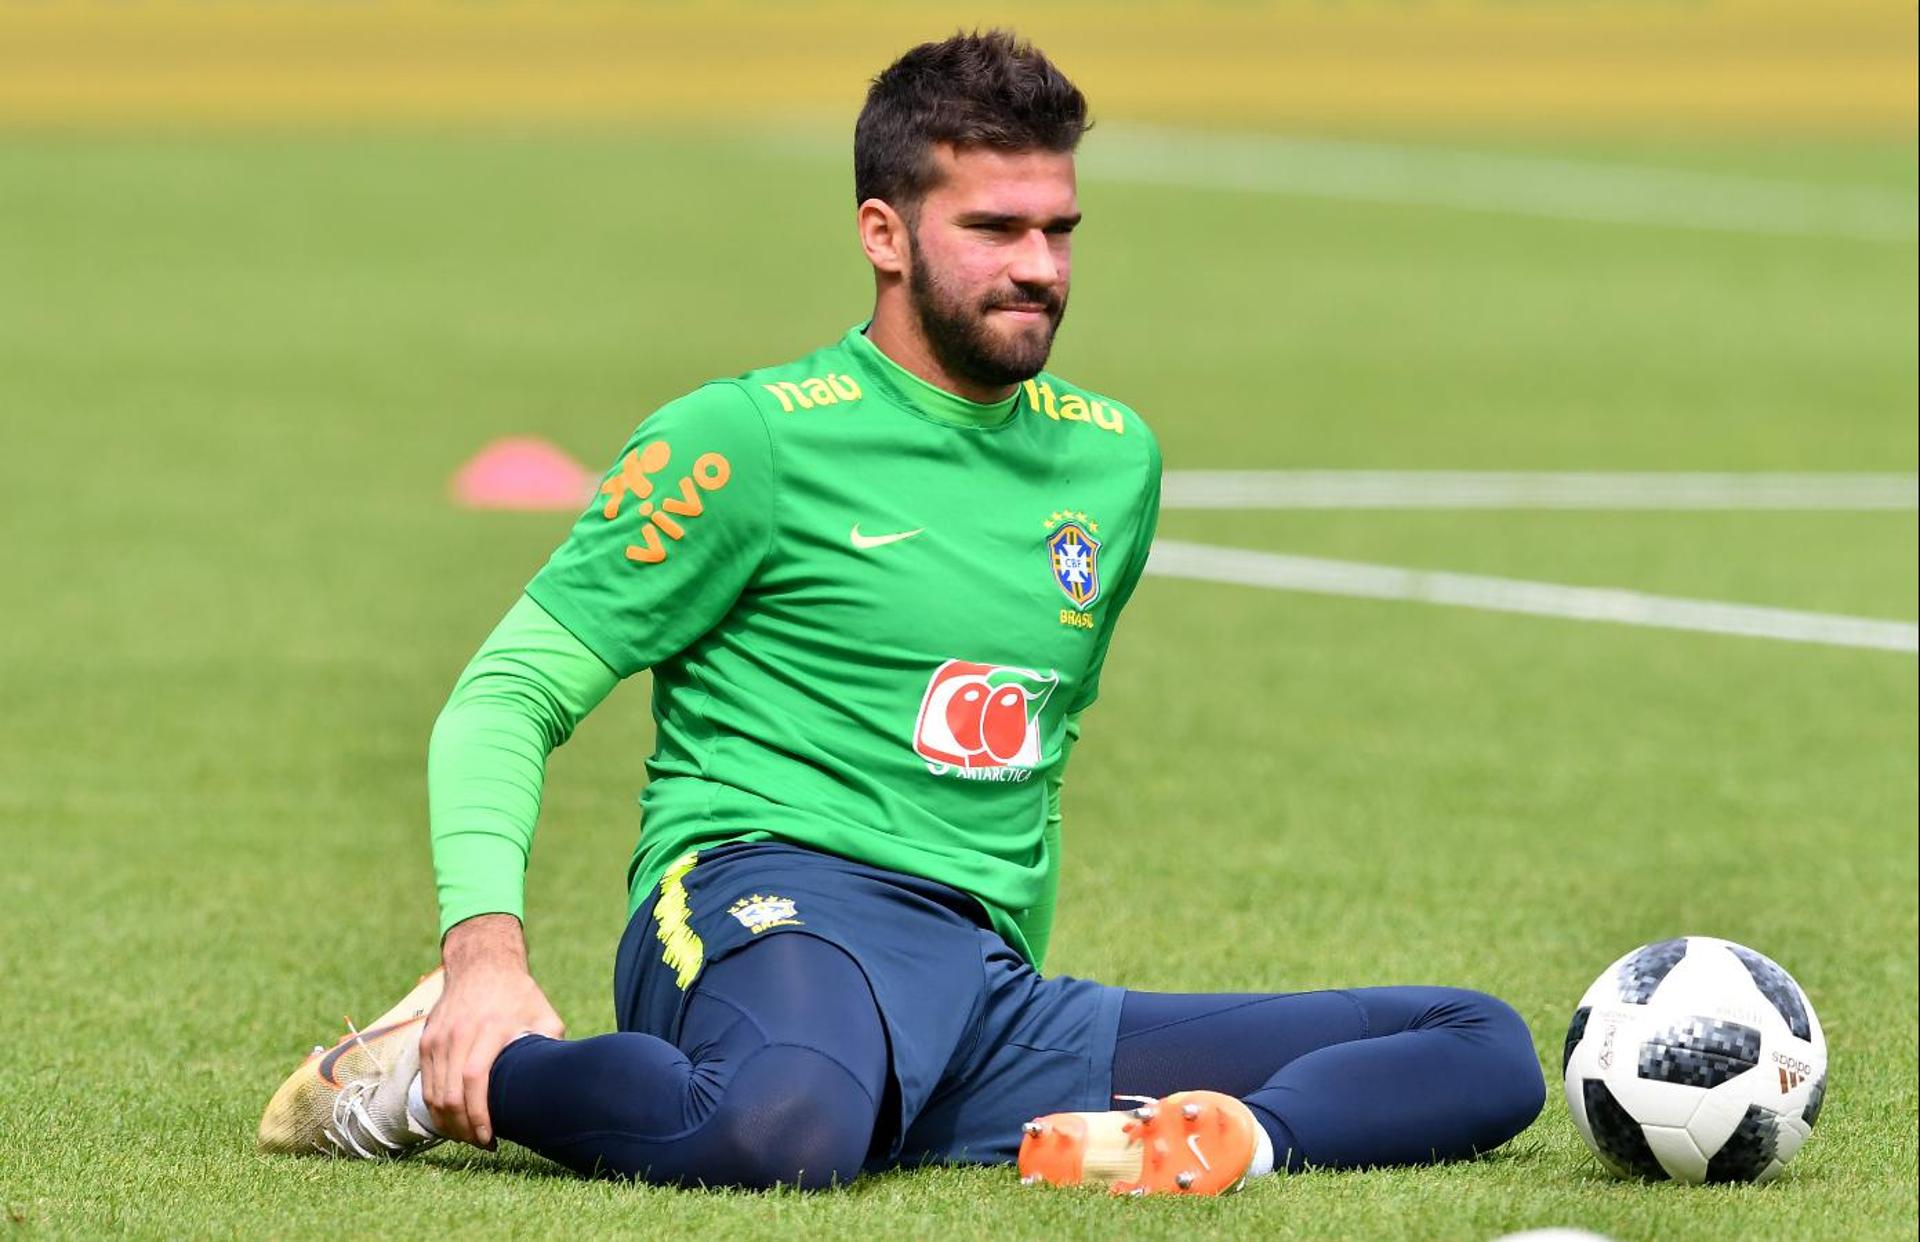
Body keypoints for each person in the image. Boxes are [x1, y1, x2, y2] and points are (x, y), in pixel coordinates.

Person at [259, 29, 1544, 1193]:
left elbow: (1033, 749)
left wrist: (1199, 1113)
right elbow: (509, 692)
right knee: (786, 1134)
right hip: (762, 902)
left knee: (1477, 1044)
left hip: (977, 986)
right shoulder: (746, 441)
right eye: (994, 229)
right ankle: (437, 1067)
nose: (1039, 268)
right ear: (885, 233)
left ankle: (1212, 1143)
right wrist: (487, 956)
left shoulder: (1113, 463)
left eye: (1060, 229)